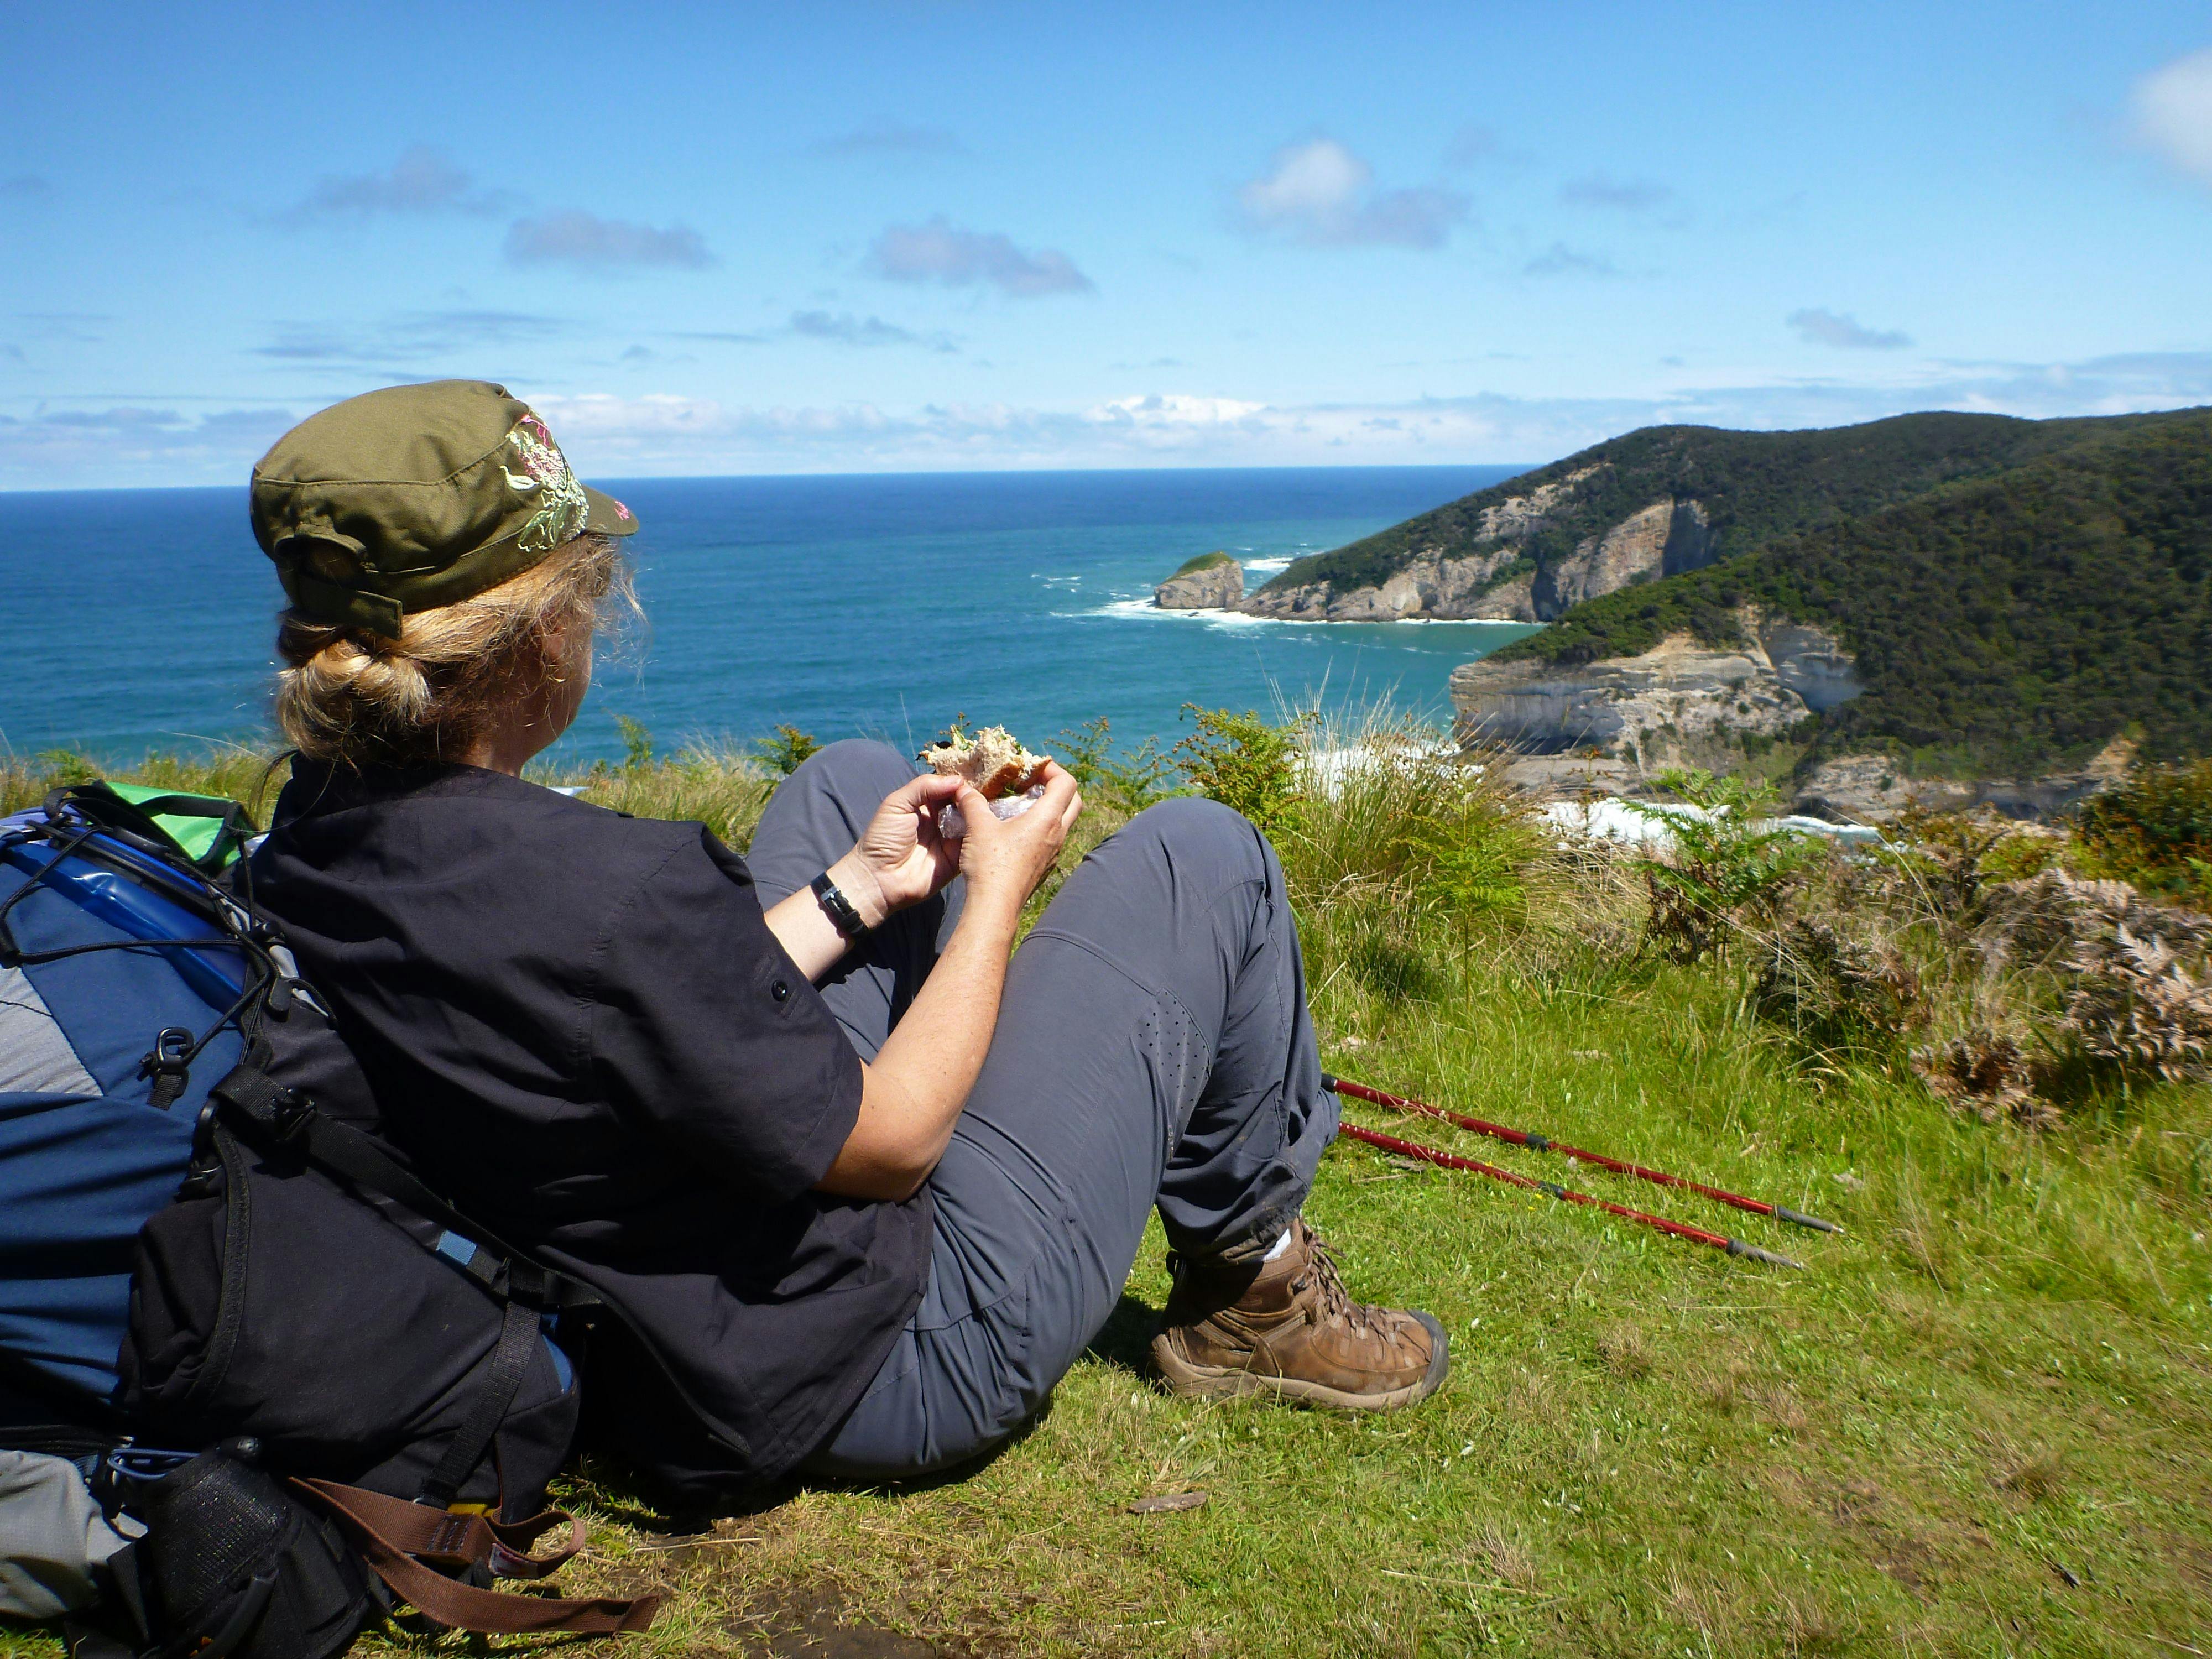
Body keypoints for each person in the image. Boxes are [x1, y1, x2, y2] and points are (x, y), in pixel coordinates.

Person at [242, 380, 1446, 1505]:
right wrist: (992, 899)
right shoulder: (612, 890)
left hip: (619, 1313)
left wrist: (864, 890)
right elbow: (889, 1145)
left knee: (849, 783)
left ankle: (902, 918)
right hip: (872, 1354)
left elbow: (612, 1003)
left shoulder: (312, 832)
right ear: (538, 639)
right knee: (1201, 856)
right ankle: (1258, 1302)